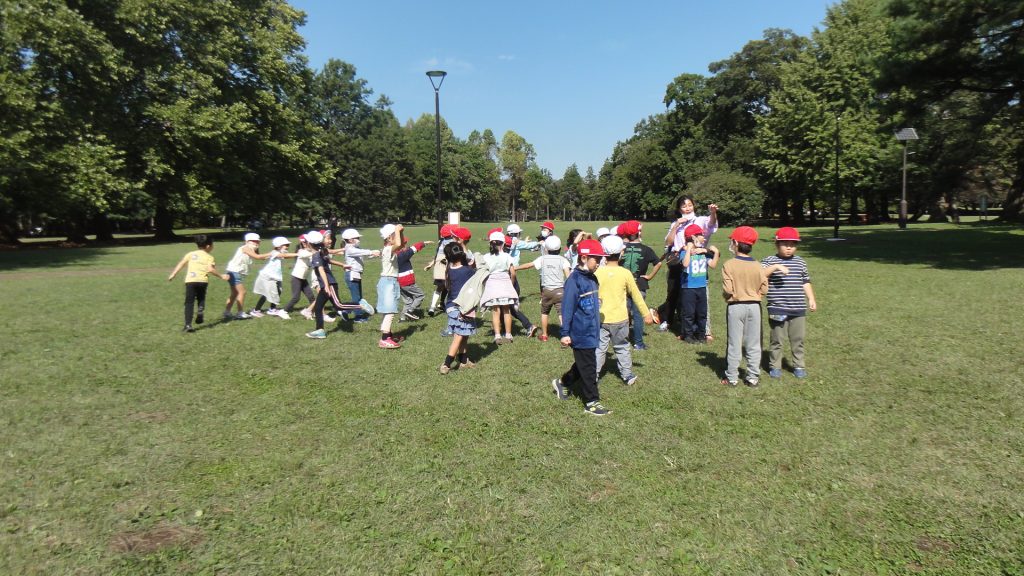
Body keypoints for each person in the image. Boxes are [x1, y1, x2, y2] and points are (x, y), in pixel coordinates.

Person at [551, 239, 613, 416]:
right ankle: (591, 402)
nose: (600, 263)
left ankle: (563, 382)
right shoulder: (574, 280)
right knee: (589, 367)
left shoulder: (592, 278)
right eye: (597, 259)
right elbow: (567, 308)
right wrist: (564, 333)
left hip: (592, 330)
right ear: (584, 257)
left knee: (584, 363)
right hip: (580, 331)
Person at [720, 226, 787, 386]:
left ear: (735, 243)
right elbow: (764, 288)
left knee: (734, 342)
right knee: (754, 343)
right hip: (755, 307)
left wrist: (727, 296)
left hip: (736, 306)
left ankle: (732, 377)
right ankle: (752, 377)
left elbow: (728, 289)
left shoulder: (729, 264)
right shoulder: (758, 265)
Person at [594, 235, 655, 387]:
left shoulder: (596, 273)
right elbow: (636, 295)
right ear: (622, 253)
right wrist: (646, 313)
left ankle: (593, 375)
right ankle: (627, 375)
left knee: (599, 348)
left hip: (600, 319)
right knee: (622, 347)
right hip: (621, 319)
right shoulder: (625, 273)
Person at [761, 227, 817, 379]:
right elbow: (760, 275)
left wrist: (811, 298)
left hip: (798, 307)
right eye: (785, 244)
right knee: (777, 340)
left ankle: (799, 365)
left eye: (792, 244)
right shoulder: (769, 261)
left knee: (797, 339)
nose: (789, 247)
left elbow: (805, 281)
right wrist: (776, 267)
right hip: (777, 307)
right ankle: (775, 366)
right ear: (777, 244)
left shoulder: (800, 262)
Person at [660, 196, 719, 336]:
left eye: (690, 205)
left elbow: (711, 224)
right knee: (675, 293)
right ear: (679, 208)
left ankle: (704, 330)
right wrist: (676, 226)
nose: (687, 208)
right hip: (679, 260)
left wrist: (713, 213)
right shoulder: (677, 222)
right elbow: (668, 242)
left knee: (701, 296)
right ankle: (673, 322)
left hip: (698, 262)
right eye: (684, 206)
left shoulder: (700, 220)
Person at [167, 234, 229, 332]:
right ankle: (200, 309)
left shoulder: (190, 254)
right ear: (208, 246)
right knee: (201, 297)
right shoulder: (210, 257)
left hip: (190, 281)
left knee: (189, 302)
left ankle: (188, 325)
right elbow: (210, 269)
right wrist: (221, 276)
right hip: (202, 281)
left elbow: (181, 263)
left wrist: (173, 274)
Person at [515, 234, 571, 342]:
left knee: (545, 312)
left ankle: (545, 335)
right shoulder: (563, 260)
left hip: (546, 291)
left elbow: (529, 265)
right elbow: (568, 276)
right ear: (559, 248)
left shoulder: (542, 259)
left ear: (546, 248)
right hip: (560, 290)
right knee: (561, 313)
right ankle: (565, 335)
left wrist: (516, 268)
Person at [618, 220, 662, 350]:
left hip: (623, 285)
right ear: (638, 233)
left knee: (623, 314)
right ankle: (638, 343)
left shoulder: (621, 249)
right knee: (638, 315)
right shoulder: (646, 249)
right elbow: (658, 263)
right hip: (639, 284)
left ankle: (621, 340)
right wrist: (649, 276)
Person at [438, 243, 478, 374]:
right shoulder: (467, 271)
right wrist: (464, 245)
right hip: (461, 307)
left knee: (464, 334)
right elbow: (474, 265)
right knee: (459, 336)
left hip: (451, 306)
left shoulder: (449, 268)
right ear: (461, 254)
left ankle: (464, 360)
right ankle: (446, 363)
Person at [679, 224, 720, 343]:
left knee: (702, 313)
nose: (704, 237)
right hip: (688, 287)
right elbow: (685, 264)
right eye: (701, 234)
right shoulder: (684, 252)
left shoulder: (703, 252)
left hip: (702, 286)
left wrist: (716, 252)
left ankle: (701, 335)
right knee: (689, 313)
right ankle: (688, 335)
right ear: (693, 237)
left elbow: (713, 265)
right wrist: (689, 249)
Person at [479, 230, 519, 345]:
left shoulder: (486, 257)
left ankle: (497, 335)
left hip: (492, 284)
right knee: (506, 310)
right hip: (505, 282)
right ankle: (508, 334)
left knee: (495, 311)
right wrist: (510, 284)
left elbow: (483, 272)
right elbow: (513, 273)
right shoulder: (507, 256)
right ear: (503, 244)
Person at [223, 233, 274, 320]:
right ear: (247, 241)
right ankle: (240, 313)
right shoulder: (245, 248)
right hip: (234, 272)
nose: (257, 243)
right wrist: (270, 253)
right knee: (242, 292)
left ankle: (227, 312)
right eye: (254, 241)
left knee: (235, 293)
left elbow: (260, 257)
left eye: (258, 241)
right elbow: (257, 257)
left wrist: (273, 255)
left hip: (234, 272)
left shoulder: (250, 249)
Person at [251, 236, 297, 319]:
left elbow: (285, 256)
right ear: (279, 246)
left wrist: (296, 256)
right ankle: (267, 309)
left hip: (275, 277)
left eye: (288, 245)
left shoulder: (279, 252)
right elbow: (283, 255)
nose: (287, 247)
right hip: (268, 276)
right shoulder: (274, 252)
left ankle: (263, 309)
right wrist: (298, 254)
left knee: (277, 291)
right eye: (286, 245)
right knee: (269, 293)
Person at [341, 228, 380, 323]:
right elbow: (363, 252)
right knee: (357, 298)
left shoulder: (355, 248)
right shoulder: (349, 249)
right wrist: (371, 252)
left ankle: (347, 311)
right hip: (351, 275)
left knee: (358, 297)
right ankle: (355, 316)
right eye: (357, 238)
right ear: (350, 240)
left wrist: (374, 254)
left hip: (356, 275)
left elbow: (362, 254)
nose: (359, 239)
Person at [376, 223, 405, 349]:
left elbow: (401, 244)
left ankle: (388, 334)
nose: (397, 237)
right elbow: (399, 244)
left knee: (388, 310)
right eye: (394, 235)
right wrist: (397, 230)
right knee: (390, 311)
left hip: (388, 281)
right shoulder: (388, 249)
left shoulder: (389, 248)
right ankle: (384, 339)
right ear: (389, 238)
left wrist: (400, 232)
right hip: (388, 281)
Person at [396, 237, 432, 320]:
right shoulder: (403, 255)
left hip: (399, 282)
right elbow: (413, 249)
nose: (407, 245)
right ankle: (410, 311)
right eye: (405, 243)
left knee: (408, 301)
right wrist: (424, 242)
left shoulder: (395, 254)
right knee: (420, 295)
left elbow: (409, 249)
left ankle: (402, 319)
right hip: (407, 281)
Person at [425, 224, 456, 317]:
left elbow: (436, 254)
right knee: (449, 287)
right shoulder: (452, 242)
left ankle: (433, 306)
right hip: (447, 268)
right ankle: (450, 306)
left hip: (438, 268)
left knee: (439, 287)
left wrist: (431, 264)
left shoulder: (440, 241)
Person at [282, 234, 317, 318]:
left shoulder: (310, 252)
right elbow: (304, 255)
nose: (306, 244)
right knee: (296, 297)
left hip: (303, 279)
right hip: (296, 278)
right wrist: (314, 251)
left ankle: (312, 312)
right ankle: (283, 311)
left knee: (311, 297)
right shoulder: (301, 251)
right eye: (304, 242)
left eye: (307, 242)